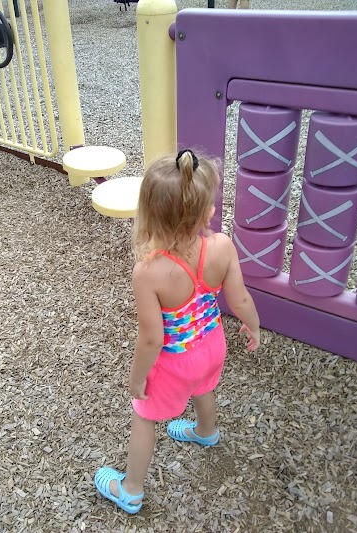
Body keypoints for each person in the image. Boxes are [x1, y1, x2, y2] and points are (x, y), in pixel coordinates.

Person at [94, 150, 260, 514]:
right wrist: (254, 325)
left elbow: (152, 338)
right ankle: (206, 432)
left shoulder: (149, 272)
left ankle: (131, 489)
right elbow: (241, 298)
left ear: (150, 214)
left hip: (174, 361)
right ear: (206, 211)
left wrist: (137, 379)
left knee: (145, 415)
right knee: (204, 387)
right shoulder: (223, 246)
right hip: (212, 345)